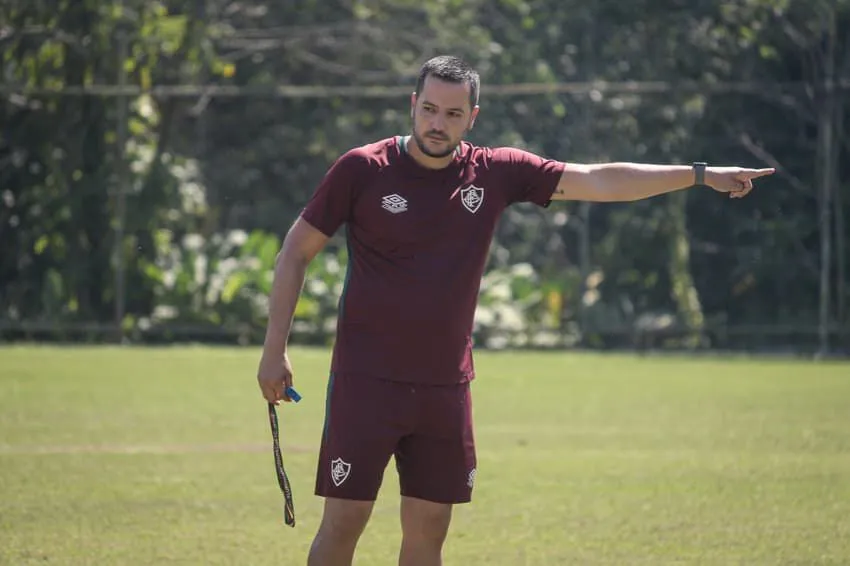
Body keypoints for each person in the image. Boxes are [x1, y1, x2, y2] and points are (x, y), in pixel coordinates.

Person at [256, 55, 774, 566]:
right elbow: (295, 252)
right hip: (365, 384)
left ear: (473, 116)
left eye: (453, 114)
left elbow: (599, 180)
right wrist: (273, 350)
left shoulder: (497, 172)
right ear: (413, 105)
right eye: (430, 110)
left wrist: (702, 175)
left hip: (444, 389)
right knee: (344, 524)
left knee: (428, 533)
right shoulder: (362, 169)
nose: (438, 124)